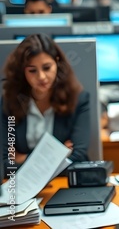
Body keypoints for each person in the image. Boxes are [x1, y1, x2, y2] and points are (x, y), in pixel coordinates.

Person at [1, 33, 90, 172]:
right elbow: (4, 163)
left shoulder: (78, 99)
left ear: (57, 62)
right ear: (22, 72)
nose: (41, 77)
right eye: (32, 71)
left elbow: (78, 156)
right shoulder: (9, 102)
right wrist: (57, 155)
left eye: (47, 68)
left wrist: (22, 158)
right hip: (23, 185)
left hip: (64, 184)